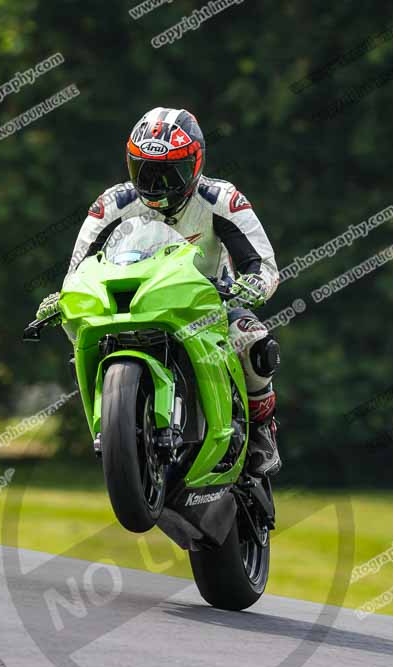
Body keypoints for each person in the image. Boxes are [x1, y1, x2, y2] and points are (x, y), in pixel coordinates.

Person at [37, 107, 281, 475]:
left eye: (170, 173)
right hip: (131, 304)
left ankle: (262, 432)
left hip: (207, 306)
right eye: (144, 170)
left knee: (254, 342)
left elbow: (262, 262)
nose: (156, 183)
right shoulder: (112, 205)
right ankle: (120, 425)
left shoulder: (221, 200)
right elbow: (77, 271)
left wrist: (253, 284)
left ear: (195, 165)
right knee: (79, 335)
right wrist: (64, 298)